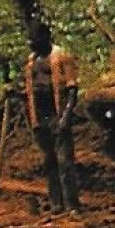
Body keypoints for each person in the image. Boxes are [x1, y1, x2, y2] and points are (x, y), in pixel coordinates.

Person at [24, 21, 81, 213]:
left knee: (65, 162)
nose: (32, 43)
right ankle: (56, 204)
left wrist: (65, 117)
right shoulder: (31, 61)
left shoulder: (61, 56)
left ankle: (72, 205)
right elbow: (30, 90)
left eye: (35, 39)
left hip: (58, 116)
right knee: (48, 162)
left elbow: (72, 90)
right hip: (40, 118)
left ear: (46, 38)